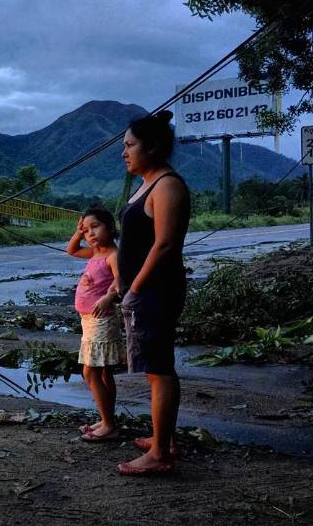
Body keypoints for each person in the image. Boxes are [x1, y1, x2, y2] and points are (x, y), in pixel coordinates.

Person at [116, 110, 190, 476]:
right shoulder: (147, 183)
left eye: (130, 145)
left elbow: (164, 246)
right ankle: (165, 437)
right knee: (153, 367)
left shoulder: (168, 186)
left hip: (156, 291)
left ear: (154, 147)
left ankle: (161, 453)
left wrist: (137, 287)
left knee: (160, 369)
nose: (124, 152)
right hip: (142, 292)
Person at [67, 206, 125, 441]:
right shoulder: (94, 253)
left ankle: (109, 425)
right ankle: (106, 418)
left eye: (95, 227)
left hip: (101, 321)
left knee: (90, 372)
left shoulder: (113, 255)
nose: (90, 234)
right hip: (88, 321)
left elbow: (121, 281)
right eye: (86, 229)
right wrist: (78, 233)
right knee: (102, 374)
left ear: (110, 228)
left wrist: (109, 296)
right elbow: (71, 250)